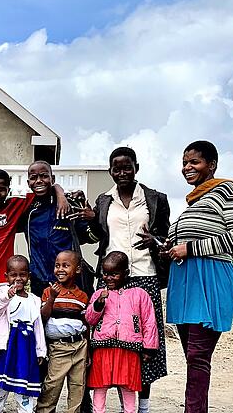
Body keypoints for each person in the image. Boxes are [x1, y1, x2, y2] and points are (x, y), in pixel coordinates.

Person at [0, 169, 69, 412]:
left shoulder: (14, 207)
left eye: (2, 188)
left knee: (9, 342)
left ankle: (18, 391)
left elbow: (44, 189)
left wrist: (60, 193)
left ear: (8, 190)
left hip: (5, 289)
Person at [80, 147, 171, 412]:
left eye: (127, 167)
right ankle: (97, 403)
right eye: (116, 168)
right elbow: (98, 236)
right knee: (105, 343)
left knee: (144, 342)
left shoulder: (156, 199)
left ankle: (140, 406)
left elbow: (165, 238)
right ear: (110, 171)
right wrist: (91, 220)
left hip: (145, 275)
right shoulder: (103, 200)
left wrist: (154, 242)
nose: (122, 173)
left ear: (136, 167)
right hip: (110, 277)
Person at [164, 140, 233, 413]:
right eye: (185, 163)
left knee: (198, 357)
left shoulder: (227, 191)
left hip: (210, 280)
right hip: (186, 283)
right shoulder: (194, 201)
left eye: (194, 162)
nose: (187, 167)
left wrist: (189, 248)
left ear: (211, 164)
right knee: (193, 358)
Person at [85, 252, 158, 413]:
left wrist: (149, 347)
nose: (109, 278)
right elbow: (90, 319)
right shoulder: (99, 294)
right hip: (102, 349)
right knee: (100, 385)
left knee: (128, 386)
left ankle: (129, 411)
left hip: (129, 350)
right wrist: (98, 304)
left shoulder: (139, 295)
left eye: (114, 274)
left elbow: (149, 322)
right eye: (105, 274)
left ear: (126, 273)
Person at [0, 255, 46, 413]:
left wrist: (40, 350)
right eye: (13, 275)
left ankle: (25, 409)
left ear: (28, 276)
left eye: (22, 274)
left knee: (24, 381)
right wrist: (9, 295)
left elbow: (38, 326)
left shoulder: (34, 300)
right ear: (6, 276)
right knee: (0, 381)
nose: (18, 279)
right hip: (6, 346)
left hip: (25, 348)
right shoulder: (1, 292)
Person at [23, 161, 95, 297]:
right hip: (40, 281)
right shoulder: (26, 209)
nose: (39, 181)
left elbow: (91, 238)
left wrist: (93, 220)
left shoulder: (70, 204)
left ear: (52, 179)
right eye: (33, 177)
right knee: (42, 318)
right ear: (28, 183)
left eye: (44, 176)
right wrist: (59, 190)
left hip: (72, 282)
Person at [37, 250, 90, 413]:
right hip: (58, 348)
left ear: (78, 269)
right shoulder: (49, 291)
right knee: (52, 384)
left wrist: (88, 351)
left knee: (77, 386)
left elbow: (86, 323)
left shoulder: (82, 296)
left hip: (80, 346)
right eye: (57, 265)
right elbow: (43, 318)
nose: (60, 269)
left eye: (66, 266)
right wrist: (52, 298)